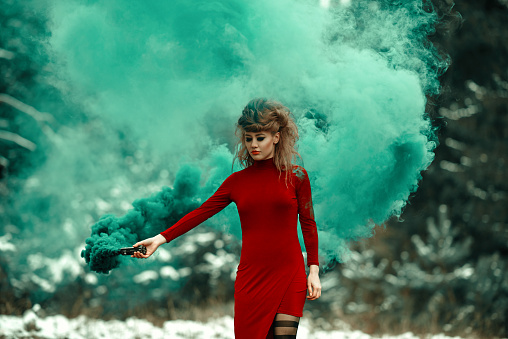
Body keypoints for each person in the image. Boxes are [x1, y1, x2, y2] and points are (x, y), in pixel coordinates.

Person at [132, 98, 321, 338]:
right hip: (251, 280)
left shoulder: (296, 176)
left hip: (289, 273)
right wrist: (160, 239)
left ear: (276, 137)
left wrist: (313, 269)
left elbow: (308, 223)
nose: (253, 144)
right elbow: (201, 213)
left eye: (260, 138)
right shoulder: (236, 182)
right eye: (248, 138)